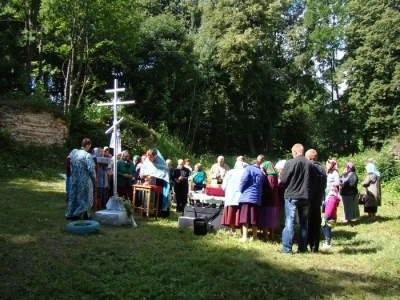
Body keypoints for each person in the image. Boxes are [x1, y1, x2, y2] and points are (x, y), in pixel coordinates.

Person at [279, 144, 314, 253]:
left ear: (294, 151)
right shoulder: (310, 164)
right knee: (304, 223)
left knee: (290, 222)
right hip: (305, 196)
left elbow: (283, 181)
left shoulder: (290, 163)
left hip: (292, 196)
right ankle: (302, 248)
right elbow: (313, 181)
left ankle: (287, 249)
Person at [65, 138, 96, 221]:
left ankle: (71, 213)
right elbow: (91, 169)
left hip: (74, 179)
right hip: (84, 180)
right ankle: (77, 214)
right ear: (88, 145)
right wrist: (94, 179)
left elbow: (70, 165)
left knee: (74, 197)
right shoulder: (87, 155)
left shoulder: (74, 154)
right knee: (86, 199)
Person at [238, 157, 265, 242]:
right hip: (257, 198)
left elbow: (244, 180)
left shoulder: (248, 168)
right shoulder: (261, 172)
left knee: (245, 217)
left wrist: (241, 189)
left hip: (247, 196)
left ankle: (245, 237)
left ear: (252, 163)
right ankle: (255, 236)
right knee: (254, 218)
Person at [305, 149, 327, 253]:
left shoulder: (309, 167)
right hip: (318, 200)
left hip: (308, 199)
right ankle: (315, 247)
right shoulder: (322, 169)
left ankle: (304, 246)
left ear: (308, 157)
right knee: (316, 224)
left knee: (306, 223)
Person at [139, 148, 171, 217]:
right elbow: (143, 170)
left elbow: (165, 173)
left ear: (155, 156)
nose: (149, 159)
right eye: (148, 158)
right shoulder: (147, 161)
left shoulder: (161, 162)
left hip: (159, 183)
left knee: (158, 198)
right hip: (149, 183)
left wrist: (154, 175)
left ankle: (157, 212)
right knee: (147, 197)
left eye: (151, 157)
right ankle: (146, 211)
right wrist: (143, 175)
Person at [221, 161, 248, 236]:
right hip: (242, 197)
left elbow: (224, 186)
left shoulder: (230, 172)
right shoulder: (245, 172)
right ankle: (243, 232)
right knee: (241, 215)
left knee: (231, 214)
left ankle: (233, 231)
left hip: (231, 197)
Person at [258, 161, 280, 241]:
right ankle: (271, 235)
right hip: (274, 200)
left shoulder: (270, 176)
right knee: (272, 219)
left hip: (268, 201)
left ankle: (267, 236)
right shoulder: (275, 175)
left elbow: (270, 188)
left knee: (266, 219)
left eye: (263, 168)